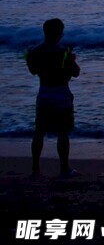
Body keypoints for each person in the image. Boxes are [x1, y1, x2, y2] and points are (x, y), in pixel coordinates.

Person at [26, 18, 81, 178]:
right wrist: (72, 60)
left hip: (44, 92)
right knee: (63, 133)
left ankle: (35, 168)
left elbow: (33, 70)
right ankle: (64, 168)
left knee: (39, 132)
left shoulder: (35, 52)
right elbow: (76, 72)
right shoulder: (63, 52)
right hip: (61, 93)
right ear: (59, 33)